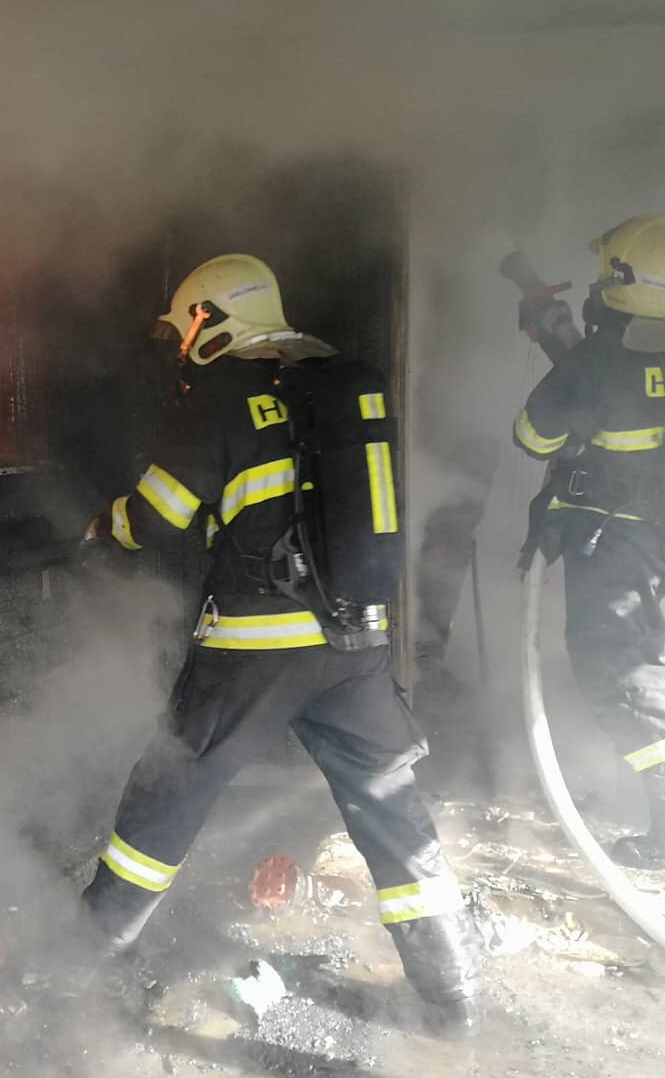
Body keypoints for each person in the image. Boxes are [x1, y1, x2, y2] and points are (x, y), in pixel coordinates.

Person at [76, 253, 485, 1035]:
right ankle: (453, 990)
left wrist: (105, 527)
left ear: (209, 321)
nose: (181, 347)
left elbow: (159, 516)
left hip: (257, 645)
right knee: (390, 808)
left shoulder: (222, 397)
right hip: (355, 644)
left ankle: (85, 958)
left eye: (184, 330)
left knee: (171, 786)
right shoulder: (337, 387)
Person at [512, 213, 665, 869]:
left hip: (609, 537)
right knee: (633, 658)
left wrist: (574, 370)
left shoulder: (598, 360)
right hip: (658, 535)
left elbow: (532, 436)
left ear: (621, 280)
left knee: (623, 666)